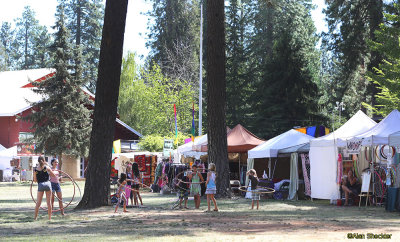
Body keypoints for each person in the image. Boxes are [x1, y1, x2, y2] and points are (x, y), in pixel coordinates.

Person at [34, 156, 56, 220]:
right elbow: (53, 175)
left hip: (40, 185)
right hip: (48, 184)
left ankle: (35, 218)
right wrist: (47, 167)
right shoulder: (47, 167)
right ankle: (49, 218)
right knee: (49, 203)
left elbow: (35, 180)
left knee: (38, 203)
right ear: (44, 160)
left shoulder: (36, 170)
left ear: (38, 161)